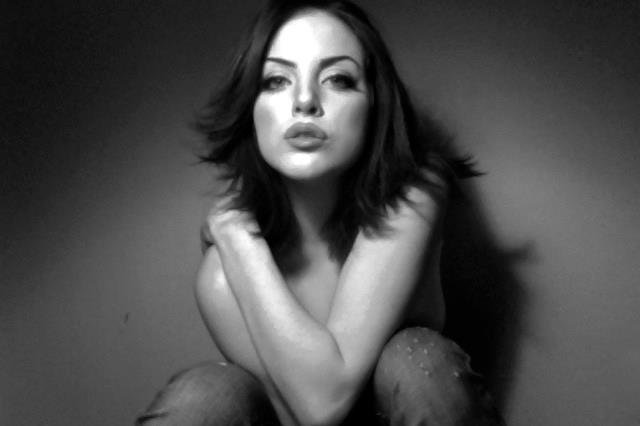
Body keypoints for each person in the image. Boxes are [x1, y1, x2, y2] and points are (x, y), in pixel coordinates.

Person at [136, 0, 503, 424]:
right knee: (207, 392)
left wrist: (234, 238)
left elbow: (326, 401)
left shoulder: (414, 196)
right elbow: (308, 414)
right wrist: (241, 243)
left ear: (375, 103)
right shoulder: (224, 274)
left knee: (415, 361)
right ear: (251, 109)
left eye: (338, 80)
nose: (306, 101)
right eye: (276, 81)